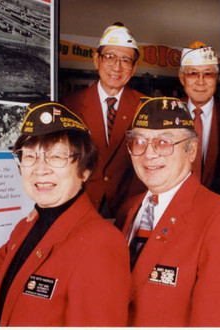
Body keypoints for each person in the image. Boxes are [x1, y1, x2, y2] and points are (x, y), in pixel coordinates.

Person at [0, 102, 131, 326]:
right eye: (30, 156)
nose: (40, 169)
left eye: (56, 157)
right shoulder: (26, 226)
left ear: (85, 170)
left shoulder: (101, 243)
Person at [118, 97, 220, 326]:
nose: (149, 154)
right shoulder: (127, 210)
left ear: (191, 150)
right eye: (139, 141)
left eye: (164, 142)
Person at [63, 22, 147, 218]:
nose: (117, 67)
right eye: (110, 57)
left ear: (134, 68)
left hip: (130, 208)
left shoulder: (145, 106)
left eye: (126, 60)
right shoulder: (71, 104)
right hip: (82, 205)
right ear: (96, 60)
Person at [178, 41, 220, 193]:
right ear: (182, 78)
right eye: (193, 73)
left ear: (217, 78)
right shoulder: (170, 111)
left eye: (208, 74)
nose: (201, 81)